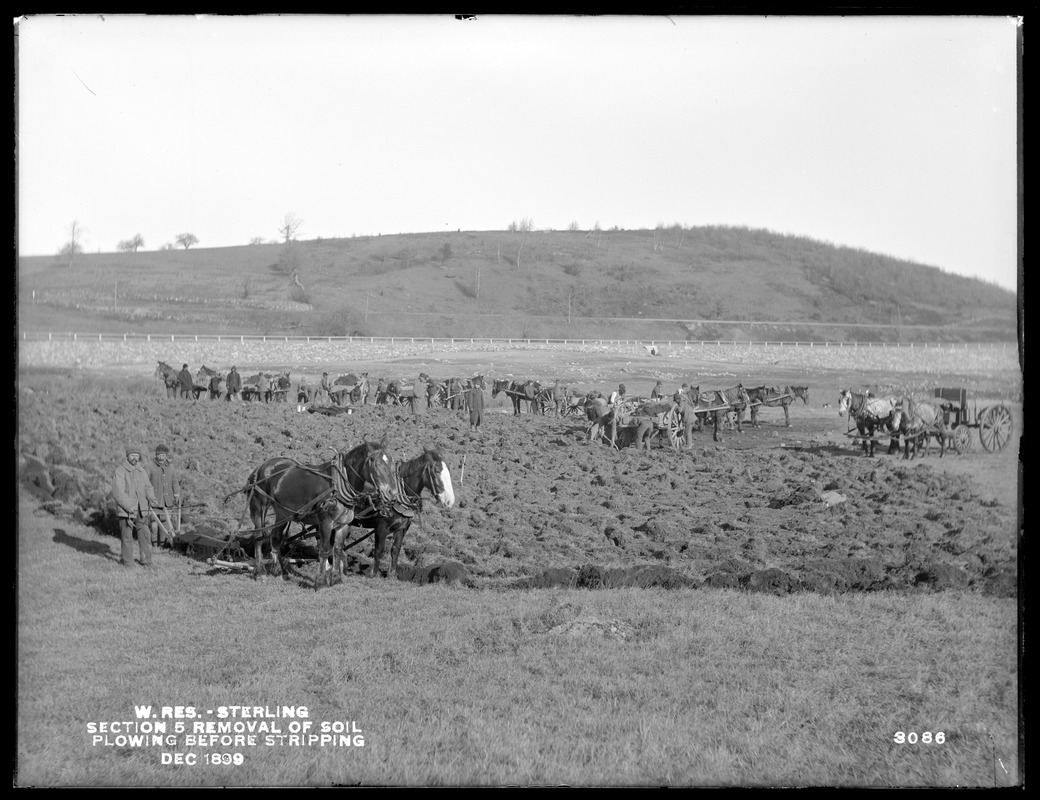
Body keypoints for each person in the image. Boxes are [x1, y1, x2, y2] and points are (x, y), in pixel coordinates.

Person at [112, 445, 157, 568]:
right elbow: (118, 492)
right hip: (126, 510)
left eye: (137, 456)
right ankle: (128, 562)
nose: (135, 458)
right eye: (132, 455)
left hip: (141, 509)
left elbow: (148, 487)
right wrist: (128, 505)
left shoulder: (141, 471)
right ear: (127, 456)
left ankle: (146, 561)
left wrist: (152, 499)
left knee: (145, 535)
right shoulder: (120, 471)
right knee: (127, 537)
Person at [146, 444, 181, 548]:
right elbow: (146, 483)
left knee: (165, 522)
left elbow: (175, 482)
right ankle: (154, 544)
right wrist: (148, 496)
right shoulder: (150, 466)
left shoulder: (170, 467)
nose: (161, 458)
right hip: (155, 500)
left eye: (163, 455)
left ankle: (163, 544)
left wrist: (176, 493)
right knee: (154, 524)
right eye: (159, 455)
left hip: (167, 500)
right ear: (156, 455)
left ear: (166, 456)